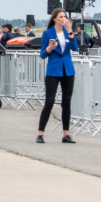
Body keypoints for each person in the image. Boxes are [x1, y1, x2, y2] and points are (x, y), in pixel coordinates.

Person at [37, 8, 79, 144]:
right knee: (49, 102)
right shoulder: (47, 33)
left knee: (66, 102)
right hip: (53, 70)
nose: (64, 19)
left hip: (68, 70)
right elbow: (43, 54)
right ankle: (40, 134)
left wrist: (71, 32)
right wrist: (49, 49)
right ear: (55, 18)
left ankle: (66, 134)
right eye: (61, 17)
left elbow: (75, 48)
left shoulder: (68, 32)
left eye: (65, 17)